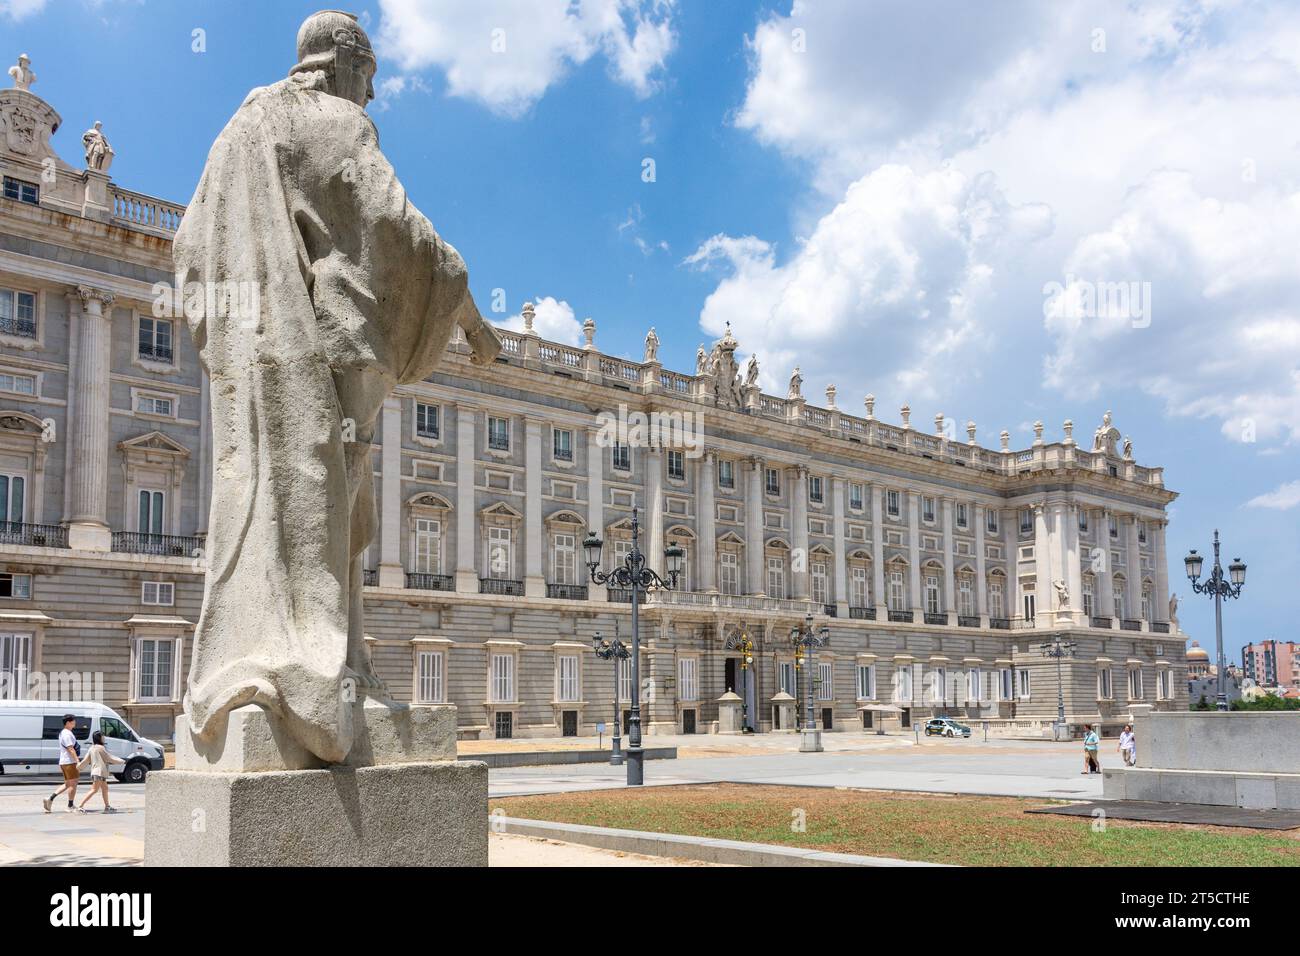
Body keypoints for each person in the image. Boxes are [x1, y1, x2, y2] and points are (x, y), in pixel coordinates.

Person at [74, 731, 125, 813]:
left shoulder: (91, 748)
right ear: (100, 738)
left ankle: (107, 806)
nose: (104, 738)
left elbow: (86, 761)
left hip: (96, 772)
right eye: (103, 736)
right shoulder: (101, 748)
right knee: (94, 790)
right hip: (99, 772)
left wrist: (79, 767)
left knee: (105, 788)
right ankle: (80, 806)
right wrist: (121, 761)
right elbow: (109, 758)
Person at [42, 715, 81, 812]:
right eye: (73, 721)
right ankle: (70, 806)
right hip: (69, 762)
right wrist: (77, 761)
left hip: (64, 762)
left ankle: (50, 798)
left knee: (68, 784)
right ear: (68, 723)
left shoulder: (63, 733)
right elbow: (70, 748)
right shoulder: (67, 734)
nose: (75, 723)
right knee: (73, 784)